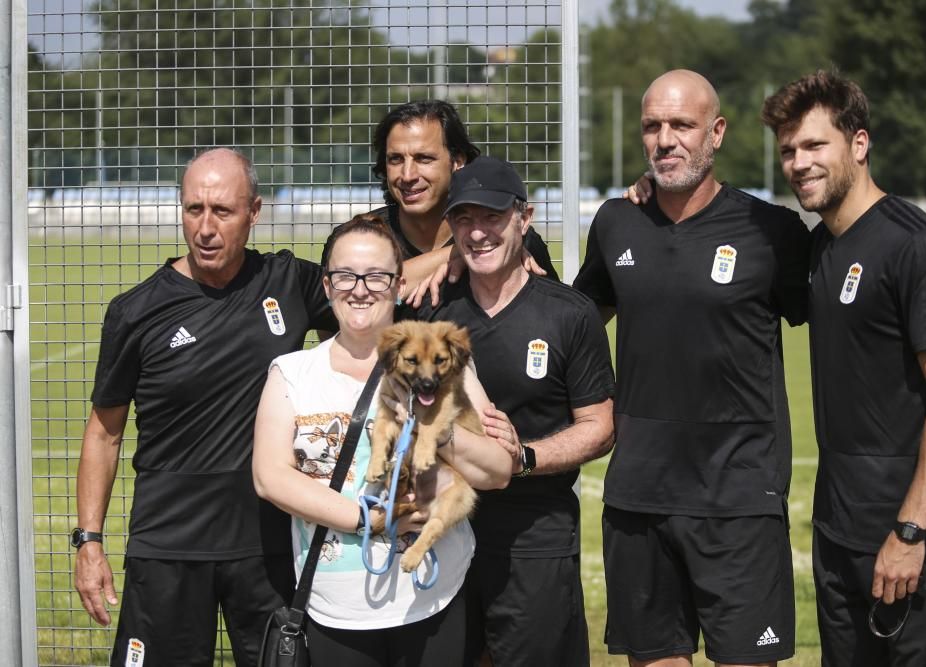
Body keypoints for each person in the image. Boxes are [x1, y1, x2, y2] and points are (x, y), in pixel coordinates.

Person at [574, 70, 810, 667]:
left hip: (739, 496)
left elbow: (838, 327)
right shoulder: (615, 222)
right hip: (639, 496)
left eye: (681, 124)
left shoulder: (771, 230)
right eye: (653, 125)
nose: (665, 139)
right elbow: (571, 323)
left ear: (717, 132)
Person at [73, 147, 337, 666]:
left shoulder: (288, 282)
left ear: (254, 213)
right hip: (166, 546)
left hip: (268, 546)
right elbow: (104, 434)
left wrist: (459, 252)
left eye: (223, 211)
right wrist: (89, 541)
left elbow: (371, 286)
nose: (206, 227)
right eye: (194, 209)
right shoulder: (136, 311)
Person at [762, 70, 926, 666]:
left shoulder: (919, 247)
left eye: (815, 145)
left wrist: (910, 533)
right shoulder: (820, 248)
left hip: (916, 538)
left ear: (859, 145)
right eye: (788, 150)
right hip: (840, 534)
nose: (799, 163)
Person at [252, 213, 514, 665]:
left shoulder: (440, 362)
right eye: (345, 275)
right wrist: (365, 519)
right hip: (336, 609)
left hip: (435, 599)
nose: (360, 288)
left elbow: (498, 471)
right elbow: (270, 478)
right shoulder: (292, 373)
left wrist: (436, 425)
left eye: (376, 276)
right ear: (327, 286)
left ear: (397, 284)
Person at [420, 155, 616, 666]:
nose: (478, 232)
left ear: (523, 220)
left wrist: (525, 456)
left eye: (492, 217)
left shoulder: (568, 313)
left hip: (535, 538)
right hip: (445, 534)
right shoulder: (436, 313)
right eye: (464, 218)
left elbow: (599, 427)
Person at [364, 99, 558, 290]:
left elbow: (558, 312)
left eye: (424, 159)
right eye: (395, 159)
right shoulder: (361, 238)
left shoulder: (512, 234)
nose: (407, 175)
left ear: (457, 162)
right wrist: (473, 250)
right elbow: (363, 291)